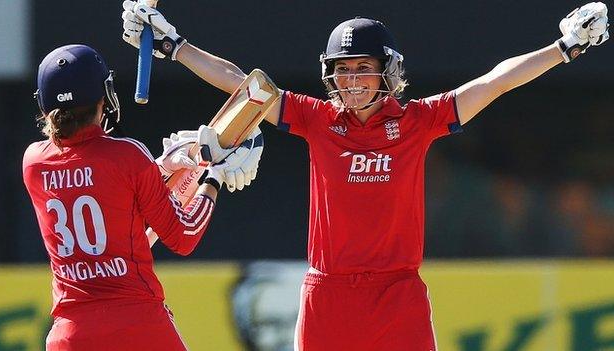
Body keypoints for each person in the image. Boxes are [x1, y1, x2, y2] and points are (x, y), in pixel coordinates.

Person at [121, 2, 609, 350]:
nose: (352, 81)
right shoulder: (317, 119)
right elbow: (242, 84)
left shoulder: (418, 120)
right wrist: (175, 46)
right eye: (343, 70)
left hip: (398, 296)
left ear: (387, 71)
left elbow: (494, 82)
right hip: (327, 294)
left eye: (363, 69)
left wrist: (562, 48)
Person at [22, 44, 262, 350]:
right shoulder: (129, 155)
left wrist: (160, 167)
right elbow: (183, 234)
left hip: (70, 335)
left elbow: (99, 184)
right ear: (104, 96)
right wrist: (213, 176)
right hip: (139, 325)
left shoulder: (33, 163)